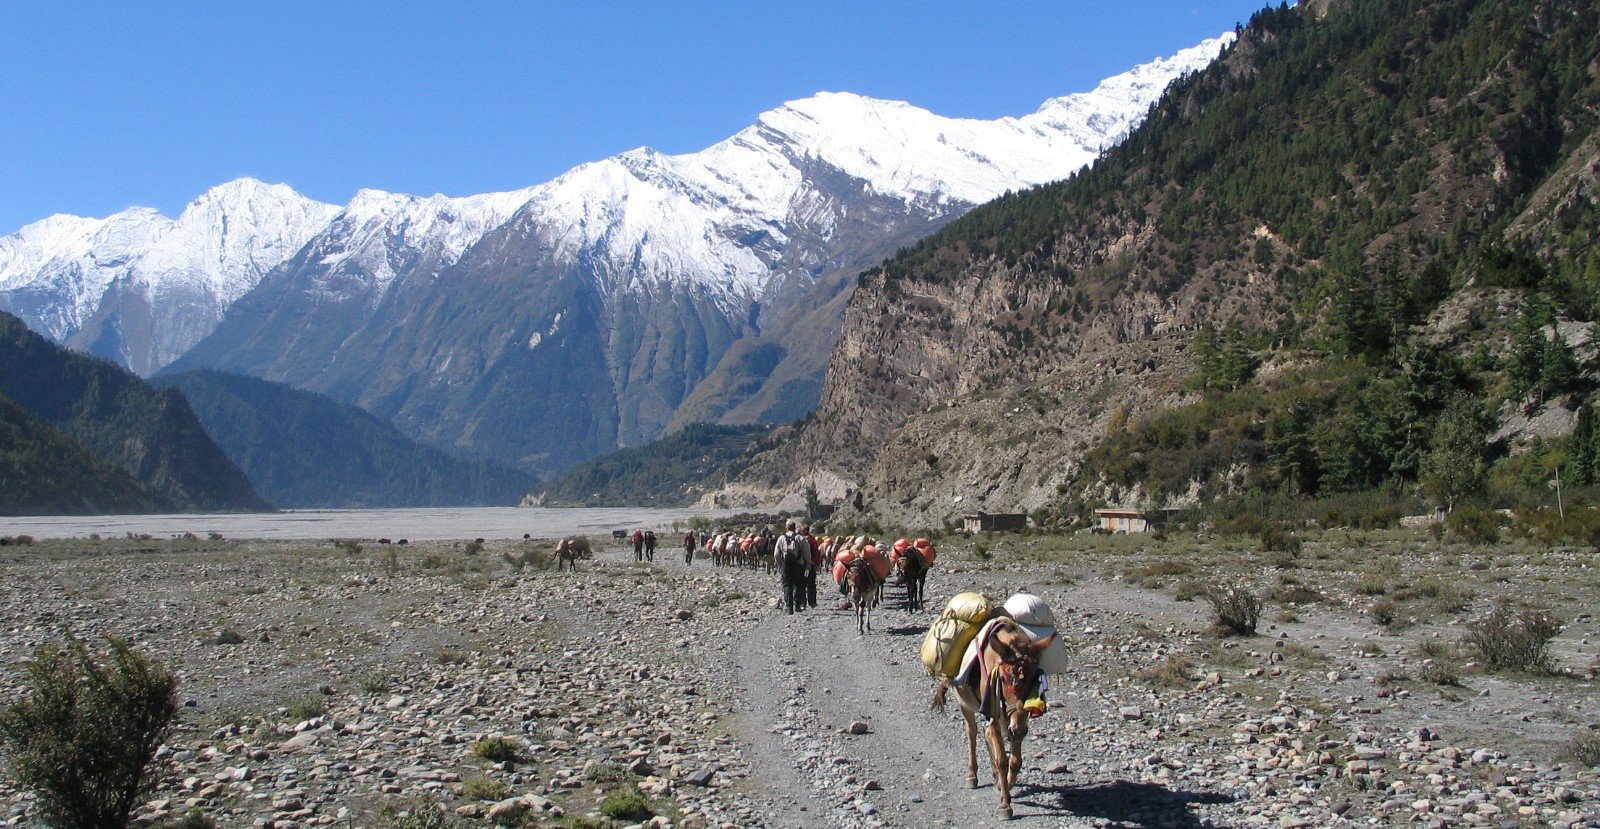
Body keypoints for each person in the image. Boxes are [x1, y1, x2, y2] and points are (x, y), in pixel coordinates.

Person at [776, 519, 808, 614]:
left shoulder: (781, 538)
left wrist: (780, 563)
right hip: (798, 564)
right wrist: (808, 562)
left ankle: (789, 607)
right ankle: (797, 605)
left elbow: (776, 553)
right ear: (794, 527)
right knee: (799, 584)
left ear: (786, 527)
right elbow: (806, 552)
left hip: (786, 565)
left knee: (787, 585)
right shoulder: (800, 538)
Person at [801, 524, 821, 608]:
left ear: (803, 531)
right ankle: (812, 602)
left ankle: (803, 602)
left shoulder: (801, 540)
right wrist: (817, 563)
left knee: (802, 583)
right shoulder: (813, 540)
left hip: (803, 566)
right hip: (811, 566)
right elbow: (817, 552)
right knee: (811, 584)